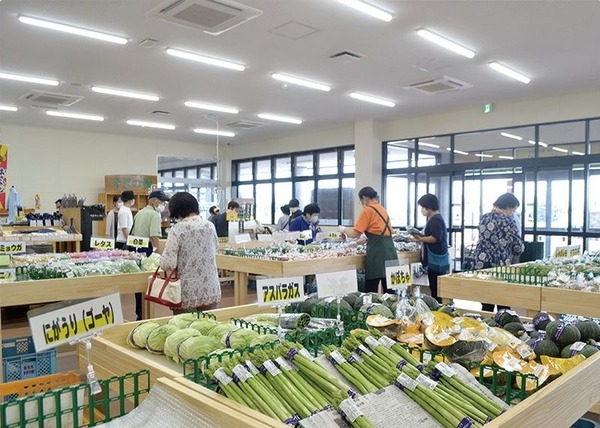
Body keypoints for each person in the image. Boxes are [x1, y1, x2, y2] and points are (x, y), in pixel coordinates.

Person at [160, 192, 221, 314]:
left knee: (186, 329)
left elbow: (168, 263)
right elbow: (215, 247)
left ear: (176, 210)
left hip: (187, 291)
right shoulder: (210, 226)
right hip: (210, 288)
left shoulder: (177, 230)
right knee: (209, 328)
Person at [473, 193, 524, 312]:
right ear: (507, 206)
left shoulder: (484, 218)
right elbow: (517, 246)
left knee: (486, 302)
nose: (512, 213)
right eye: (513, 209)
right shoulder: (508, 221)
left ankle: (485, 325)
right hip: (500, 264)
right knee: (503, 302)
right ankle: (502, 326)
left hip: (482, 263)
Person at [340, 187, 397, 293]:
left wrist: (343, 229)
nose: (362, 203)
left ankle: (370, 308)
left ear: (365, 198)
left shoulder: (367, 210)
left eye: (361, 201)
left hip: (377, 254)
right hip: (390, 251)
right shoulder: (381, 209)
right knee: (390, 290)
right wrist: (362, 241)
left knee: (371, 290)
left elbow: (354, 234)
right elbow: (379, 232)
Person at [410, 194, 449, 303]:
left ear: (428, 207)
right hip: (437, 257)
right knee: (435, 287)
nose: (422, 210)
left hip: (436, 258)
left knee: (435, 287)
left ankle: (437, 309)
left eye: (422, 207)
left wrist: (420, 239)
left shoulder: (435, 220)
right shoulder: (436, 219)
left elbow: (435, 238)